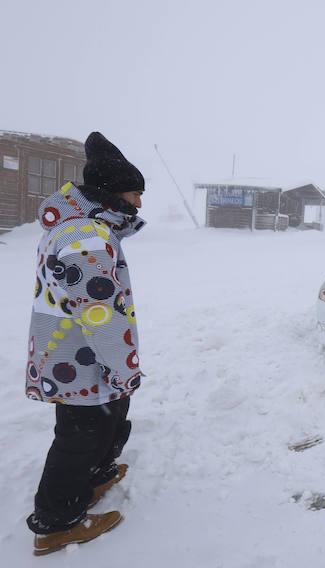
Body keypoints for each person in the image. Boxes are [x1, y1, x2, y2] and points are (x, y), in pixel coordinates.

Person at [25, 131, 146, 555]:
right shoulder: (87, 237)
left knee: (100, 424)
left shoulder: (85, 229)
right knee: (80, 435)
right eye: (135, 193)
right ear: (112, 193)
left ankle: (94, 477)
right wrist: (125, 366)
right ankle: (55, 523)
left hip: (77, 355)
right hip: (78, 358)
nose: (139, 203)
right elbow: (101, 313)